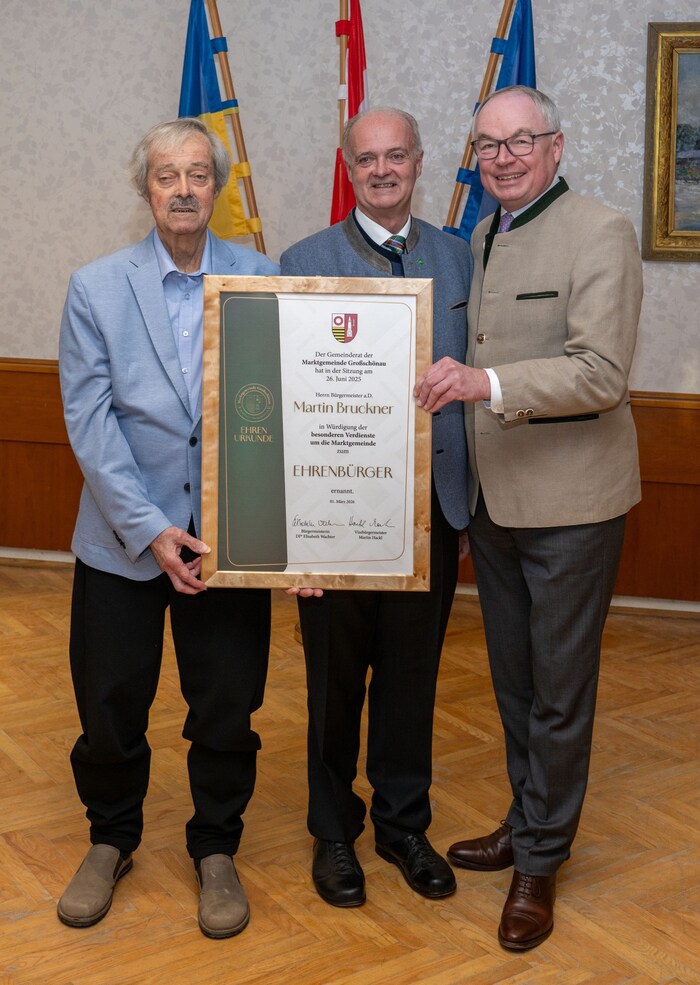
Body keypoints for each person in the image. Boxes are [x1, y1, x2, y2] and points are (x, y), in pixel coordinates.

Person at [413, 85, 643, 950]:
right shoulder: (483, 233)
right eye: (488, 146)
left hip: (572, 507)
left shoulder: (600, 230)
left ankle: (541, 860)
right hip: (497, 505)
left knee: (558, 691)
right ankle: (528, 816)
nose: (503, 158)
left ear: (556, 145)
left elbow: (601, 372)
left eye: (521, 141)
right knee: (514, 685)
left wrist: (484, 385)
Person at [57, 118, 279, 939]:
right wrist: (151, 528)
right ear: (144, 189)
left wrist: (286, 530)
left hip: (229, 538)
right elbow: (90, 421)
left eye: (196, 174)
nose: (182, 189)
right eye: (164, 175)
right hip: (120, 541)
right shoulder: (96, 286)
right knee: (109, 704)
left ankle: (216, 847)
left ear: (216, 187)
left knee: (227, 704)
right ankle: (110, 837)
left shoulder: (264, 277)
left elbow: (280, 415)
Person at [280, 108, 472, 907]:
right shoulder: (303, 259)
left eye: (397, 156)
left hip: (430, 508)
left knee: (411, 678)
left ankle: (402, 824)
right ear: (349, 167)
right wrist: (289, 539)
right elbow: (283, 401)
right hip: (331, 511)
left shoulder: (463, 257)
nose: (383, 170)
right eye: (369, 159)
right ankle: (334, 832)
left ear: (420, 162)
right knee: (333, 680)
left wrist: (465, 513)